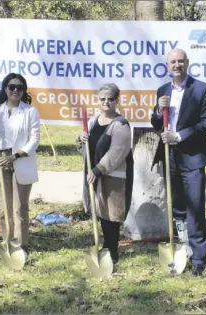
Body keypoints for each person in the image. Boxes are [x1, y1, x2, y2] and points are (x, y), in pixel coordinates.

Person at [151, 48, 206, 276]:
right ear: (168, 65)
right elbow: (155, 122)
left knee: (195, 207)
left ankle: (198, 258)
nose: (176, 65)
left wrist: (178, 136)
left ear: (186, 63)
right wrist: (159, 110)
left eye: (180, 61)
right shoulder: (162, 90)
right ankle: (183, 249)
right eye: (172, 62)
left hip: (193, 157)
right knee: (177, 208)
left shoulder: (201, 89)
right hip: (170, 157)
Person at [77, 83, 134, 265]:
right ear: (98, 100)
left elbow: (117, 151)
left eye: (110, 99)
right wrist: (80, 139)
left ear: (117, 100)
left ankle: (112, 249)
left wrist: (98, 169)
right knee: (101, 211)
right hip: (95, 174)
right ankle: (106, 247)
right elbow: (86, 149)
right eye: (103, 99)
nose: (106, 102)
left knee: (112, 214)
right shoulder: (94, 121)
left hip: (113, 175)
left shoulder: (121, 124)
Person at [0, 73, 40, 249]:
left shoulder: (30, 111)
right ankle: (7, 241)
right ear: (5, 89)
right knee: (4, 208)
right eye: (11, 87)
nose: (15, 90)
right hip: (0, 162)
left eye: (19, 87)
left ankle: (20, 245)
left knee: (19, 208)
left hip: (19, 160)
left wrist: (14, 157)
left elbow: (34, 140)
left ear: (24, 91)